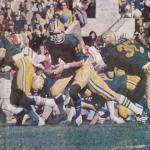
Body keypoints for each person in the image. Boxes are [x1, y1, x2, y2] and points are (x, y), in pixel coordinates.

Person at [44, 31, 148, 126]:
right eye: (52, 34)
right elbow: (55, 63)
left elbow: (82, 62)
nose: (55, 36)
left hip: (83, 67)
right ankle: (64, 114)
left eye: (101, 43)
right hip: (71, 68)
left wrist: (103, 70)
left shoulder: (73, 41)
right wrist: (54, 69)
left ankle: (138, 111)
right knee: (54, 91)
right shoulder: (50, 43)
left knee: (107, 94)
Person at [101, 31, 150, 109]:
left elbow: (110, 74)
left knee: (144, 101)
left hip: (146, 70)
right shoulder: (126, 40)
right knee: (134, 97)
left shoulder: (108, 49)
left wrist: (103, 70)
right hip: (146, 63)